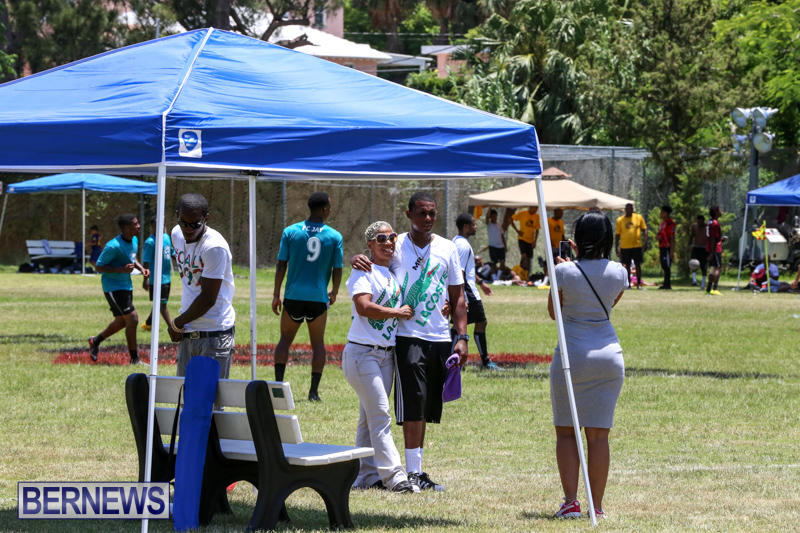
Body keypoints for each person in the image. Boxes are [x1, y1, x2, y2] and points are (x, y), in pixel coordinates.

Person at [352, 191, 468, 492]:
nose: (427, 218)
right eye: (421, 213)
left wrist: (462, 336)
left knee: (427, 405)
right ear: (409, 214)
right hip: (406, 337)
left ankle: (415, 471)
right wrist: (356, 257)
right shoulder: (396, 244)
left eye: (432, 213)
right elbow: (374, 259)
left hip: (439, 336)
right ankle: (410, 473)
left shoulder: (447, 248)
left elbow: (457, 296)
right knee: (412, 404)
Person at [547, 210, 627, 519]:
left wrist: (565, 271)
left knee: (567, 432)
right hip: (609, 356)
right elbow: (608, 305)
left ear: (576, 239)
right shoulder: (619, 272)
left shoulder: (563, 272)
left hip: (572, 355)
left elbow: (555, 313)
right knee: (599, 435)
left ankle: (571, 501)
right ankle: (597, 506)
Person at [343, 221, 417, 493]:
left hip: (386, 356)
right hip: (362, 354)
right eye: (381, 239)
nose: (388, 242)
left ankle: (365, 476)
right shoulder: (363, 271)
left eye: (392, 237)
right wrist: (397, 313)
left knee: (369, 418)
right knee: (381, 415)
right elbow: (363, 307)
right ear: (370, 245)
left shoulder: (393, 270)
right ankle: (395, 477)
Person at [272, 192, 343, 402]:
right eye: (329, 206)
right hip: (318, 297)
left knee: (285, 340)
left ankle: (278, 387)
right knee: (318, 344)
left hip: (293, 296)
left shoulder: (291, 231)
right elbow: (337, 268)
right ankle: (313, 392)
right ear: (324, 209)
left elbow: (281, 264)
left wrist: (276, 294)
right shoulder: (334, 236)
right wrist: (334, 291)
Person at [168, 193, 236, 378]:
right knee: (185, 393)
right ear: (177, 216)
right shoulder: (176, 234)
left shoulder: (214, 247)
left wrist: (177, 323)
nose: (188, 229)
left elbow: (208, 298)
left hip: (214, 334)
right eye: (183, 223)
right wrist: (182, 325)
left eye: (195, 224)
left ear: (206, 218)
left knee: (210, 395)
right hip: (188, 331)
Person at [88, 214, 149, 364]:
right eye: (136, 224)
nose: (139, 226)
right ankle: (134, 359)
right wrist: (121, 270)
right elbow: (99, 266)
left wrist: (141, 268)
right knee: (133, 319)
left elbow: (132, 257)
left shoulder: (134, 240)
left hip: (126, 285)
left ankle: (95, 341)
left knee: (122, 322)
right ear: (127, 228)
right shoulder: (113, 246)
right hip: (113, 287)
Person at [454, 213, 499, 370]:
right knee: (477, 323)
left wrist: (481, 283)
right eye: (473, 224)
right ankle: (483, 361)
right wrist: (462, 297)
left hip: (467, 289)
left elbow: (467, 270)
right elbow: (459, 273)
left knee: (460, 325)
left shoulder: (458, 242)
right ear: (466, 227)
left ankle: (453, 360)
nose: (476, 227)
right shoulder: (463, 245)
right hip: (467, 291)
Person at [141, 216, 174, 331]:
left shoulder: (166, 237)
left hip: (167, 277)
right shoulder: (150, 242)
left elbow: (171, 252)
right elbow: (146, 261)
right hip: (156, 279)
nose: (161, 227)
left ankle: (148, 324)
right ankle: (172, 328)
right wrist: (145, 279)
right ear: (152, 226)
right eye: (157, 225)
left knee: (159, 303)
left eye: (162, 224)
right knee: (162, 305)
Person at [615, 203, 647, 289]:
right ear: (625, 209)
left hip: (637, 246)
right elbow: (617, 234)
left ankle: (638, 284)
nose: (629, 210)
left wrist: (646, 242)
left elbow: (644, 229)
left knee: (638, 265)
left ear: (633, 209)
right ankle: (628, 284)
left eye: (631, 209)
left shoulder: (638, 217)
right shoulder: (620, 220)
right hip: (625, 247)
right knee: (626, 266)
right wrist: (616, 247)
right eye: (627, 209)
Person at [705, 206, 724, 296]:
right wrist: (712, 252)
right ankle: (715, 288)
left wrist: (720, 239)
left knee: (712, 269)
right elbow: (712, 238)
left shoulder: (709, 222)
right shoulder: (715, 223)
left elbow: (712, 237)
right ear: (716, 212)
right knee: (718, 268)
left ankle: (708, 288)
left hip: (710, 247)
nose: (721, 211)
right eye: (720, 210)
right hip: (715, 249)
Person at [656, 205, 676, 290]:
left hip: (667, 248)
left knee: (667, 266)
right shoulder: (662, 224)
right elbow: (659, 234)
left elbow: (672, 237)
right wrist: (658, 237)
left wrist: (671, 251)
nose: (660, 213)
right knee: (664, 265)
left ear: (666, 213)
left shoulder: (670, 223)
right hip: (662, 247)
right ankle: (665, 283)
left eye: (662, 212)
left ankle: (668, 284)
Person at [689, 215, 707, 288]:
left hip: (704, 248)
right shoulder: (694, 226)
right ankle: (694, 281)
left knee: (703, 266)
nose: (699, 223)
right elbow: (692, 236)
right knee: (693, 263)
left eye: (700, 222)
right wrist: (689, 244)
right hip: (696, 247)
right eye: (698, 221)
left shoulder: (707, 227)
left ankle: (703, 283)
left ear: (703, 221)